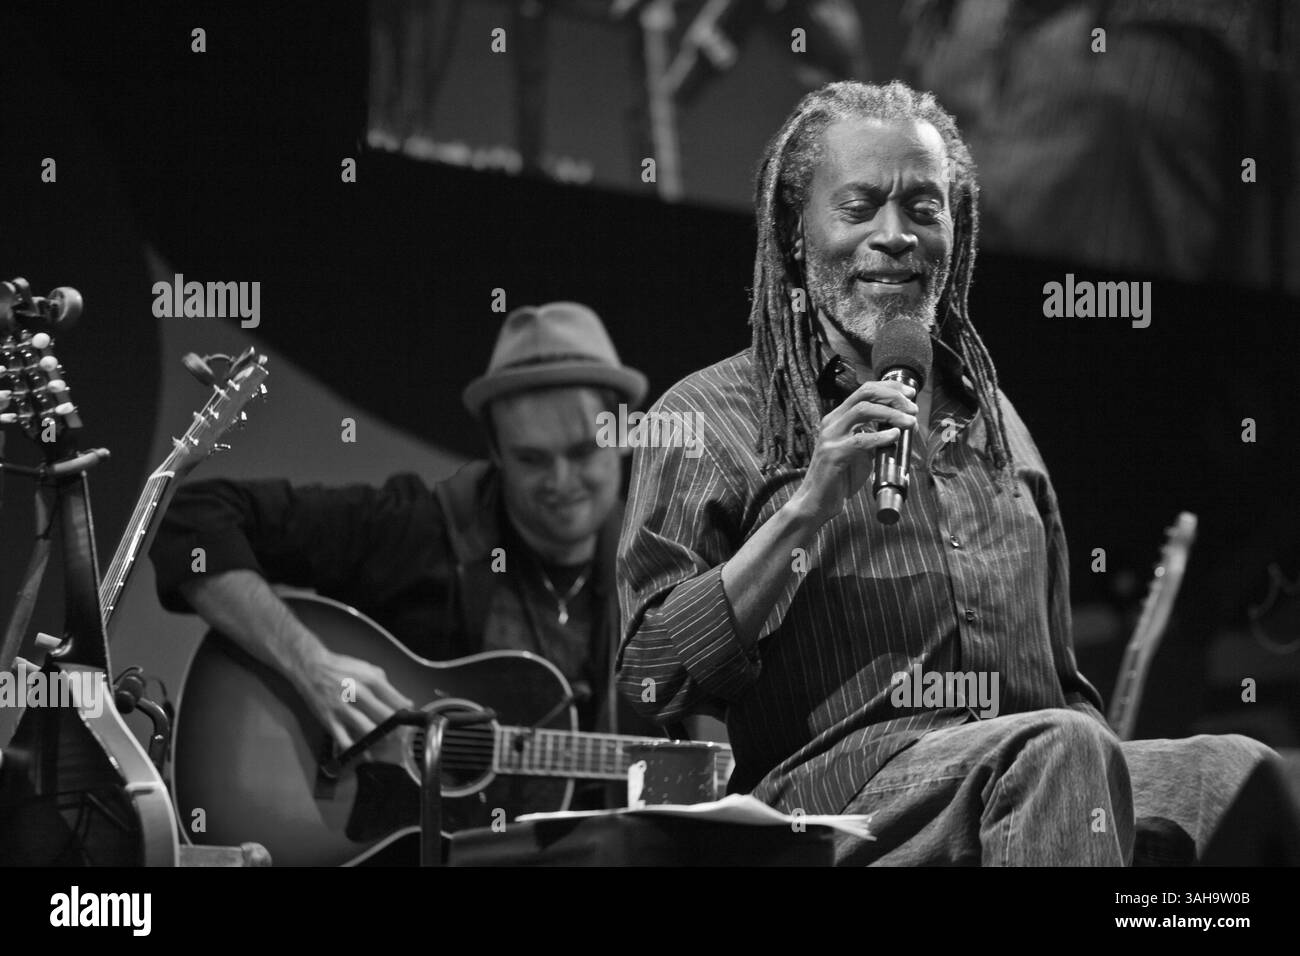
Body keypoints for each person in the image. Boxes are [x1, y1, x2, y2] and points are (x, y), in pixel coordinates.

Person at [615, 80, 1278, 865]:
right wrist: (805, 508)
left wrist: (1109, 787)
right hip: (834, 813)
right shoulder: (711, 416)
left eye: (923, 208)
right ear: (797, 233)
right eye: (860, 208)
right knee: (1055, 753)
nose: (895, 235)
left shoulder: (998, 426)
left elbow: (1061, 689)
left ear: (954, 232)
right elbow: (650, 678)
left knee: (1237, 774)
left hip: (1034, 768)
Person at [151, 301, 657, 791]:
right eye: (532, 459)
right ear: (496, 452)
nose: (561, 480)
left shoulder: (653, 578)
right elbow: (193, 518)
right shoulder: (415, 529)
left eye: (583, 451)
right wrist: (310, 664)